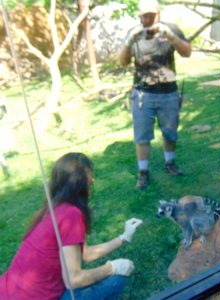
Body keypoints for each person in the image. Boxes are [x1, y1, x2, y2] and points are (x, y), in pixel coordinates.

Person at [0, 152, 143, 300]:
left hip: (7, 292)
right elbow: (73, 279)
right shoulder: (71, 214)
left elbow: (86, 254)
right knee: (116, 280)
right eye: (89, 178)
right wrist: (111, 268)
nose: (92, 180)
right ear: (78, 184)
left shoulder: (54, 207)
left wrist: (123, 237)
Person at [118, 0, 192, 190]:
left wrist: (171, 37)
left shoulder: (171, 29)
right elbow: (122, 62)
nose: (148, 19)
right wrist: (128, 43)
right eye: (145, 15)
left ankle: (170, 163)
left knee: (170, 132)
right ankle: (143, 173)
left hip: (168, 92)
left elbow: (187, 53)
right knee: (142, 136)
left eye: (152, 14)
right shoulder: (134, 33)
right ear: (140, 16)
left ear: (158, 14)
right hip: (143, 93)